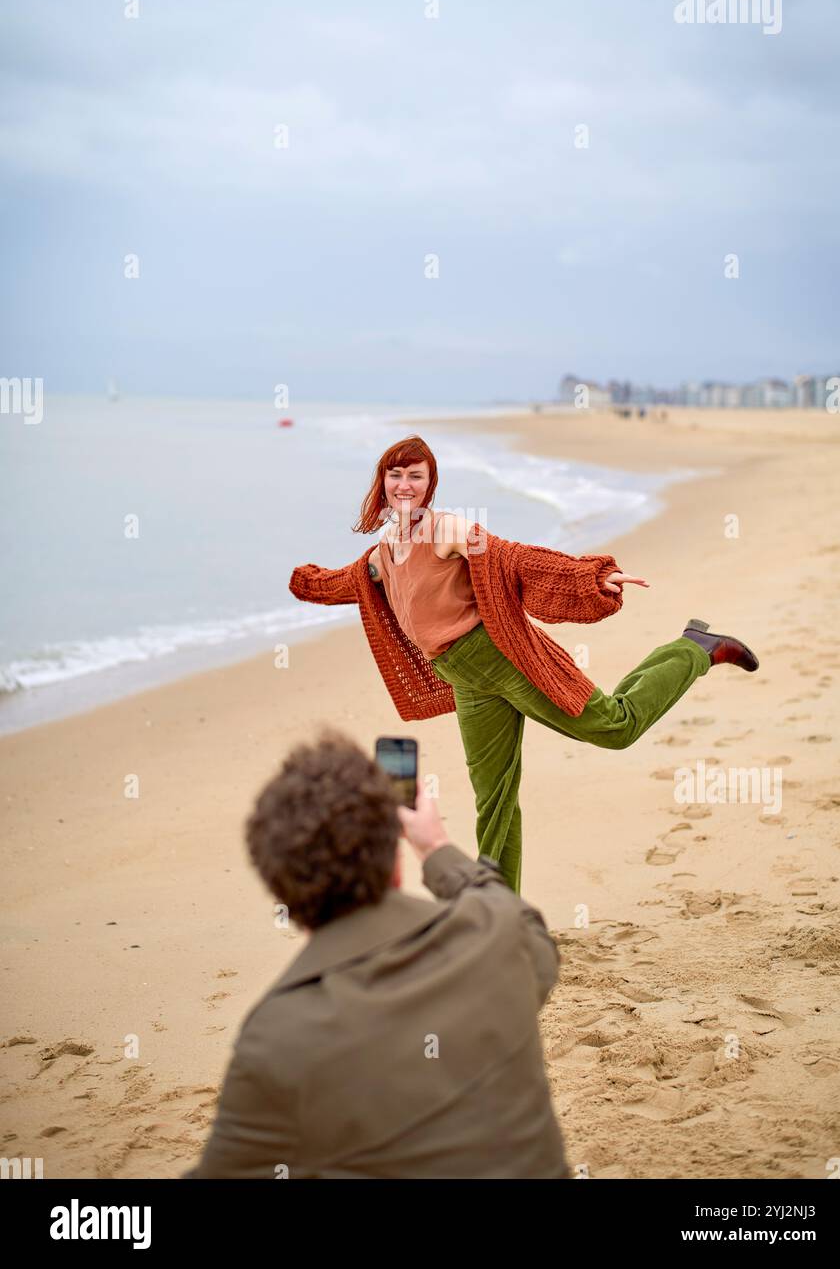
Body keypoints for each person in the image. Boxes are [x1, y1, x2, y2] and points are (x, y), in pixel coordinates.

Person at [289, 435, 759, 895]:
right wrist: (303, 583)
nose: (405, 485)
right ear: (383, 482)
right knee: (493, 800)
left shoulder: (445, 530)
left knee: (615, 728)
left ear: (430, 484)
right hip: (466, 681)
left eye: (416, 476)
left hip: (502, 658)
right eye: (396, 475)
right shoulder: (386, 549)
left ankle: (695, 649)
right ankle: (498, 910)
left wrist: (591, 576)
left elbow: (513, 558)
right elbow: (349, 583)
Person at [181, 730, 571, 1180]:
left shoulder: (277, 1037)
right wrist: (436, 846)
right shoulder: (498, 937)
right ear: (395, 859)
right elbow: (515, 915)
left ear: (278, 889)